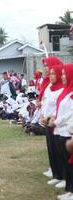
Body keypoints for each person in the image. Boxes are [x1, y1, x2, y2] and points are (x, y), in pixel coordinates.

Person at [48, 64, 73, 200]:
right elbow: (58, 108)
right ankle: (69, 189)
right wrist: (52, 117)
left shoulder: (71, 93)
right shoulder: (66, 91)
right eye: (61, 74)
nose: (62, 76)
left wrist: (56, 121)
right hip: (60, 131)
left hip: (67, 131)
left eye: (65, 74)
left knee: (70, 163)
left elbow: (70, 113)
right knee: (66, 161)